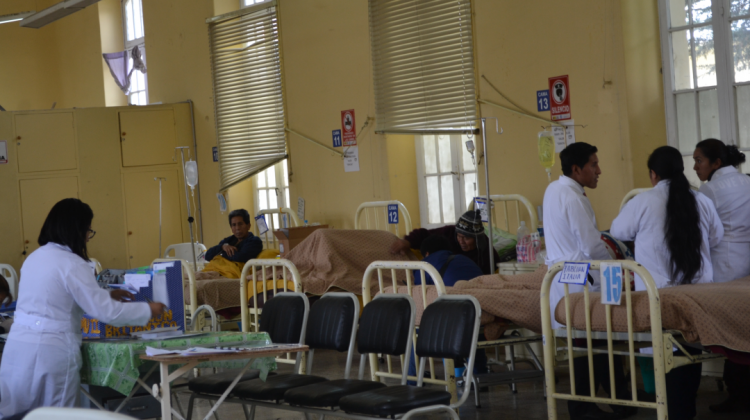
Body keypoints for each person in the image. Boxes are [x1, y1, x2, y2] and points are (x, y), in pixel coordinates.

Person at [0, 198, 166, 417]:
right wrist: (149, 309)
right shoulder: (73, 263)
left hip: (19, 349)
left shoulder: (34, 258)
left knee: (14, 413)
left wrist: (105, 294)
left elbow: (58, 296)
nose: (88, 236)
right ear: (76, 229)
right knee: (56, 415)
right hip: (52, 351)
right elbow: (107, 312)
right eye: (88, 230)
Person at [611, 146, 723, 420]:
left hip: (660, 297)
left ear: (653, 174)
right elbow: (717, 237)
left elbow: (617, 231)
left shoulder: (643, 201)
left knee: (667, 358)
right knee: (692, 353)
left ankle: (674, 412)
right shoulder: (701, 201)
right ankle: (685, 410)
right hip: (698, 296)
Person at [543, 142, 633, 420]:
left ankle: (621, 398)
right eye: (593, 165)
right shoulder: (573, 198)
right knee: (589, 343)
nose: (599, 171)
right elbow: (593, 246)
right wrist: (620, 264)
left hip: (563, 280)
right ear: (576, 169)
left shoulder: (554, 190)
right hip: (580, 278)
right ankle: (584, 406)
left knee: (591, 342)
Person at [692, 139, 750, 413]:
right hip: (747, 261)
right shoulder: (747, 182)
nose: (695, 167)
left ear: (716, 163)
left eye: (699, 161)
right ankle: (740, 392)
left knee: (730, 331)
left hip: (724, 261)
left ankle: (737, 392)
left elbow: (704, 232)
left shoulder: (709, 190)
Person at [390, 210, 500, 275]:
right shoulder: (450, 232)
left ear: (477, 239)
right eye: (459, 236)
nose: (461, 241)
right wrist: (407, 242)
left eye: (466, 238)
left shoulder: (486, 251)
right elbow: (424, 234)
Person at [413, 235, 484, 287]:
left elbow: (419, 292)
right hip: (482, 295)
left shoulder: (425, 265)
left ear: (427, 254)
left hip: (456, 301)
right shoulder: (464, 259)